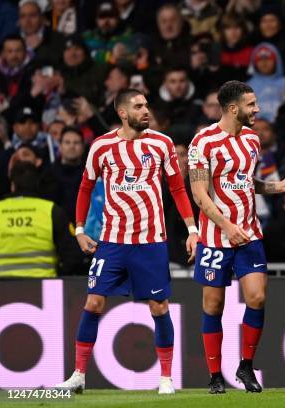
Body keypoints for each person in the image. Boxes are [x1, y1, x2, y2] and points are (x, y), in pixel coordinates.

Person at [54, 88, 198, 395]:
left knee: (159, 307)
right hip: (112, 242)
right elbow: (84, 187)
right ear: (123, 113)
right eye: (139, 106)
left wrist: (192, 229)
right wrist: (79, 229)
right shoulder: (102, 146)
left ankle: (166, 378)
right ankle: (79, 374)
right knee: (93, 302)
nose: (146, 110)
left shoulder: (162, 143)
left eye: (146, 105)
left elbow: (177, 189)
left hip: (151, 241)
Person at [188, 81, 285, 394]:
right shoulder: (204, 141)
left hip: (249, 234)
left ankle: (246, 366)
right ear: (233, 108)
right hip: (215, 237)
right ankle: (214, 376)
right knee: (213, 306)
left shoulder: (252, 140)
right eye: (252, 104)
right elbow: (199, 193)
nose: (258, 109)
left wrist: (280, 187)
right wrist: (225, 225)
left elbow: (246, 183)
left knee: (258, 297)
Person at [0, 162, 82, 278]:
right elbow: (74, 254)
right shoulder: (51, 210)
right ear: (37, 183)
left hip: (2, 288)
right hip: (45, 285)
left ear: (12, 185)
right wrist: (59, 274)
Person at [50, 126, 86, 223]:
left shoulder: (92, 174)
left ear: (83, 147)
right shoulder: (49, 174)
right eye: (67, 142)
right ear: (60, 146)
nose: (71, 146)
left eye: (76, 143)